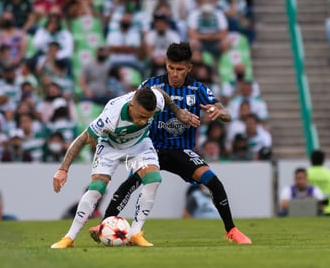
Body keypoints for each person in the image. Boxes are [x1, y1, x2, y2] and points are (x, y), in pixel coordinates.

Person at [88, 42, 252, 245]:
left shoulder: (198, 89)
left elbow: (225, 112)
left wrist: (219, 113)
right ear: (166, 64)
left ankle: (232, 230)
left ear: (189, 68)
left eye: (180, 69)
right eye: (171, 68)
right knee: (130, 184)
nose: (174, 73)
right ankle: (104, 224)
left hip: (180, 150)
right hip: (151, 149)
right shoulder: (151, 86)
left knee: (213, 181)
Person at [50, 86, 199, 248]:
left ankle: (135, 233)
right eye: (141, 116)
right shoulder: (111, 117)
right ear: (131, 106)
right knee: (97, 187)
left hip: (138, 144)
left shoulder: (157, 101)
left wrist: (177, 112)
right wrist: (63, 169)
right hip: (110, 146)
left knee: (153, 179)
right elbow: (82, 139)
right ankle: (69, 238)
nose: (143, 121)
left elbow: (160, 91)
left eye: (148, 118)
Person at [307, 150, 330, 216]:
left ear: (311, 160)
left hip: (309, 210)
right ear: (323, 160)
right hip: (328, 209)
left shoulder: (306, 173)